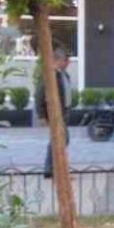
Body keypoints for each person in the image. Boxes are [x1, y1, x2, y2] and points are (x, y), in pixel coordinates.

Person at [36, 48, 73, 179]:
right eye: (65, 60)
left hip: (64, 111)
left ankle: (52, 169)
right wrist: (41, 115)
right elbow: (39, 94)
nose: (68, 63)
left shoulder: (64, 74)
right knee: (61, 139)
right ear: (57, 60)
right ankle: (52, 169)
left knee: (58, 140)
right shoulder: (50, 75)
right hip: (55, 113)